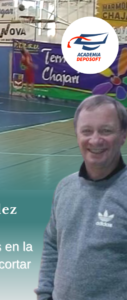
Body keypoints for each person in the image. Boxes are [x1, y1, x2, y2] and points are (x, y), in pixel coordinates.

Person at [35, 95, 127, 300]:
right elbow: (52, 244)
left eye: (106, 131)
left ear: (123, 135)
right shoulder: (65, 187)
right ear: (77, 135)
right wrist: (44, 294)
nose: (95, 140)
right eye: (87, 131)